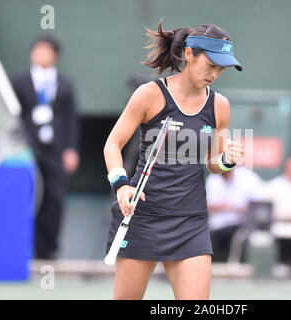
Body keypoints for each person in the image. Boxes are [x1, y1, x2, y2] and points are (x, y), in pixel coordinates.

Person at [104, 21, 243, 300]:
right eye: (211, 64)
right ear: (189, 54)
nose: (214, 74)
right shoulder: (149, 94)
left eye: (221, 69)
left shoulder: (220, 106)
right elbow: (112, 144)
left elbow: (212, 164)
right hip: (143, 217)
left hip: (190, 223)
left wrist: (227, 161)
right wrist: (121, 186)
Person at [12, 35, 80, 260]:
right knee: (27, 198)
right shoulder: (19, 82)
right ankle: (23, 251)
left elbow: (71, 118)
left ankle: (48, 252)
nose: (41, 54)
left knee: (54, 199)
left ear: (55, 56)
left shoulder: (65, 83)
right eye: (37, 49)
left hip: (56, 151)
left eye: (46, 50)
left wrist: (70, 148)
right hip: (28, 151)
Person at [206, 166, 263, 262]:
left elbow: (259, 206)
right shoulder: (212, 180)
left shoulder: (248, 177)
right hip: (215, 227)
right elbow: (205, 206)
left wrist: (234, 208)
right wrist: (220, 207)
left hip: (241, 225)